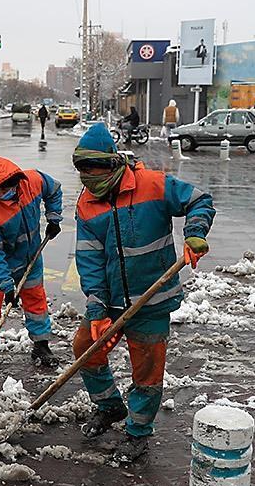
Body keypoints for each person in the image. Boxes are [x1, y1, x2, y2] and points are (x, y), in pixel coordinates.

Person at [70, 123, 216, 463]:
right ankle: (110, 407)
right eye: (82, 171)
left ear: (111, 163)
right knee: (85, 350)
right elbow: (89, 259)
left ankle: (137, 432)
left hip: (152, 299)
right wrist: (96, 310)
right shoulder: (87, 204)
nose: (87, 178)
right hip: (111, 302)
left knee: (147, 371)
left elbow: (199, 201)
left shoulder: (152, 184)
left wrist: (194, 233)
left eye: (93, 170)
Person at [0, 155, 63, 374]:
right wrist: (6, 285)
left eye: (12, 186)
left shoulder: (31, 181)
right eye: (3, 189)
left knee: (36, 302)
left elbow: (54, 189)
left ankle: (41, 346)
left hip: (30, 259)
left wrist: (53, 218)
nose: (10, 191)